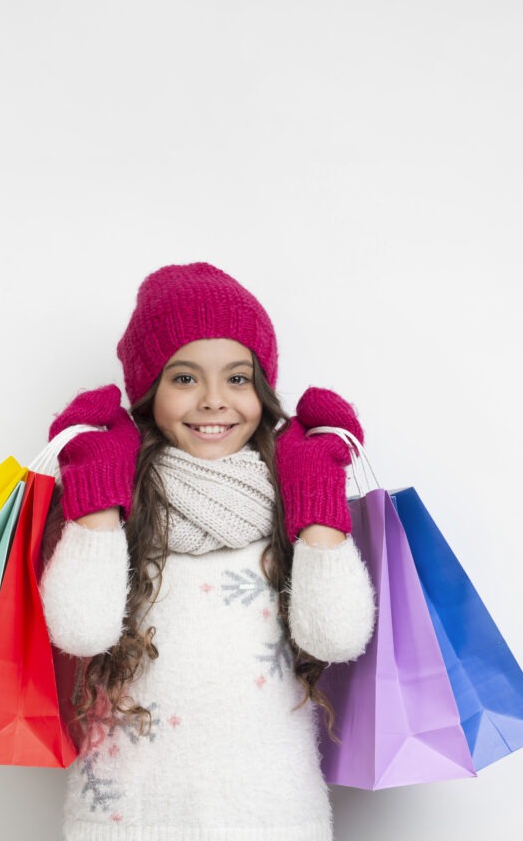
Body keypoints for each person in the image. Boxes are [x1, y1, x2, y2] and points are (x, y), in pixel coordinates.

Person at [40, 262, 376, 841]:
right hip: (130, 817)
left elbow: (337, 637)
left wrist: (316, 495)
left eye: (238, 379)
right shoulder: (119, 496)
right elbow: (80, 630)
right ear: (150, 390)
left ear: (263, 388)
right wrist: (97, 491)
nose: (215, 401)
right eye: (185, 378)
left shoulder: (289, 493)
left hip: (272, 812)